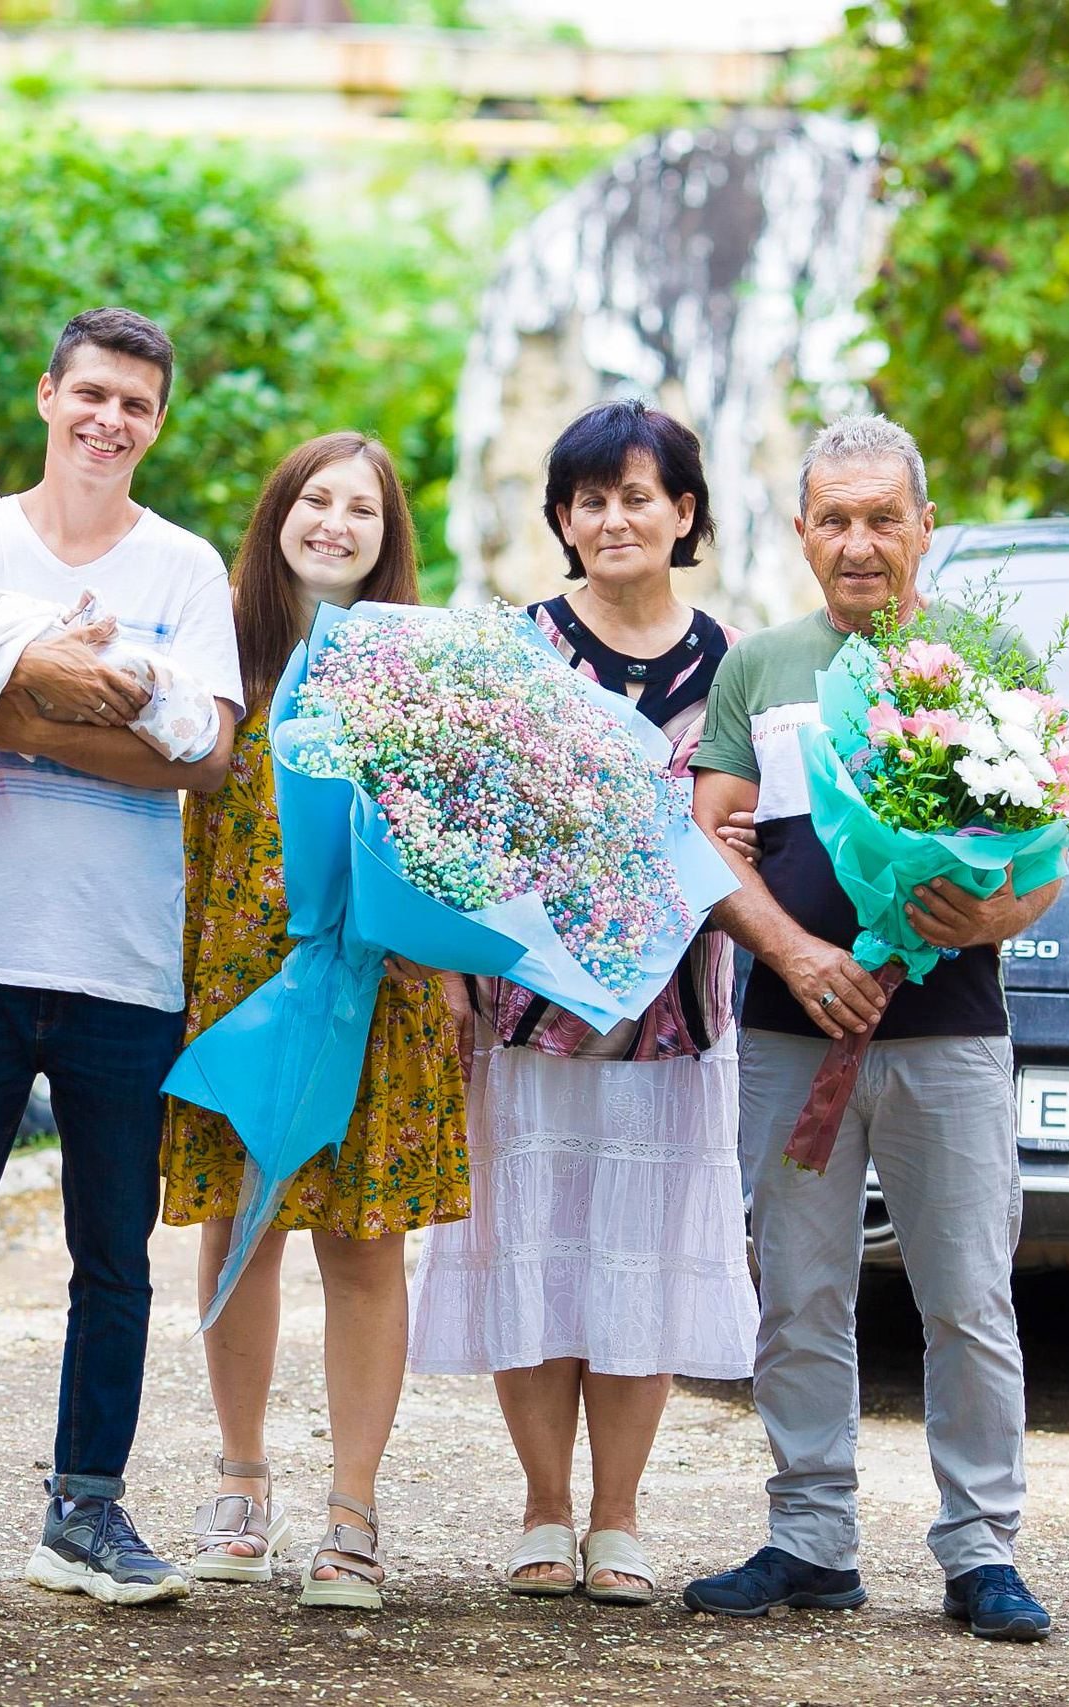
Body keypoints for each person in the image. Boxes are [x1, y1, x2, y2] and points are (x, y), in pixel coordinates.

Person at [682, 413, 1061, 1643]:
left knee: (966, 1296)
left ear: (923, 528)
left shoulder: (987, 656)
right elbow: (706, 836)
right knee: (795, 1293)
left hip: (949, 1033)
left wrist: (986, 909)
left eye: (880, 518)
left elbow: (1047, 859)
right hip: (792, 1033)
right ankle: (809, 1539)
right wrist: (791, 954)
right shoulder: (760, 667)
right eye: (833, 520)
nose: (857, 543)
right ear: (800, 534)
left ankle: (981, 1549)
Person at [0, 308, 239, 1610]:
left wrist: (19, 704)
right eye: (89, 393)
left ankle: (84, 1511)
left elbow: (201, 755)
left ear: (157, 422)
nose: (109, 420)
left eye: (135, 404)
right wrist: (62, 695)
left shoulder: (188, 567)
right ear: (47, 394)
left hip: (121, 961)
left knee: (115, 1253)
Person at [407, 401, 756, 1605]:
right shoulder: (515, 651)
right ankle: (542, 1512)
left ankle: (620, 1519)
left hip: (674, 1017)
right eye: (589, 500)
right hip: (528, 1006)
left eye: (638, 497)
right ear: (562, 518)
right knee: (535, 1249)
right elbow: (449, 827)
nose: (614, 518)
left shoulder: (734, 665)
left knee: (642, 1259)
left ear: (685, 513)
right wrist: (452, 973)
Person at [160, 432, 465, 1613]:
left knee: (361, 1241)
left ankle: (351, 1513)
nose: (335, 523)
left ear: (390, 542)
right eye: (315, 500)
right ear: (277, 511)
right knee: (240, 1227)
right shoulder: (215, 646)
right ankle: (238, 1485)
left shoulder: (414, 670)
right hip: (237, 978)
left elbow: (450, 848)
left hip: (373, 987)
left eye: (364, 511)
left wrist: (443, 972)